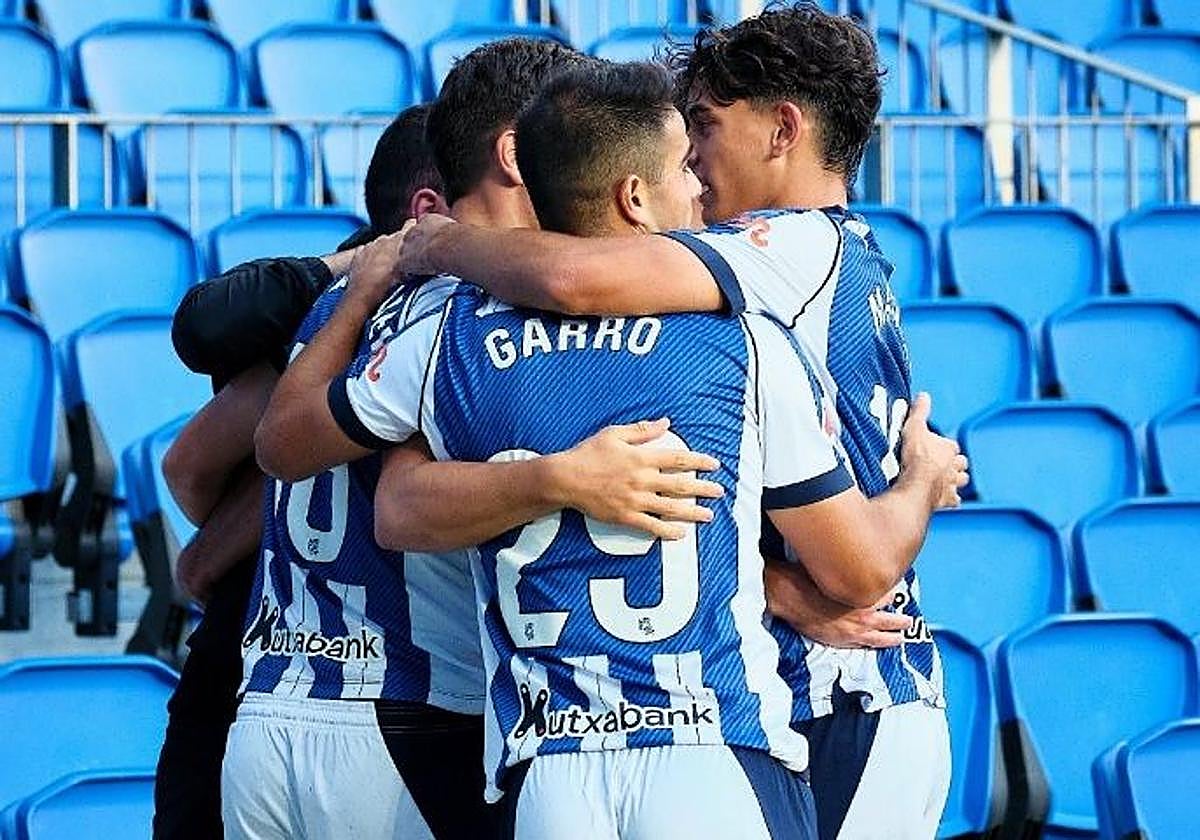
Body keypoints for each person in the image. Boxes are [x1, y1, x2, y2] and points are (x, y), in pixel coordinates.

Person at [256, 60, 966, 839]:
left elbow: (331, 474)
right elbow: (860, 568)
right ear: (635, 196)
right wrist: (923, 478)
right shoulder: (748, 341)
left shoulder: (453, 335)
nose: (698, 184)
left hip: (549, 770)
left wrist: (550, 478)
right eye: (680, 166)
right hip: (710, 750)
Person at [153, 104, 446, 839]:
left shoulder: (336, 319)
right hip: (348, 698)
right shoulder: (357, 311)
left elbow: (191, 468)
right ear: (427, 211)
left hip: (266, 684)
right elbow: (195, 452)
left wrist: (215, 548)